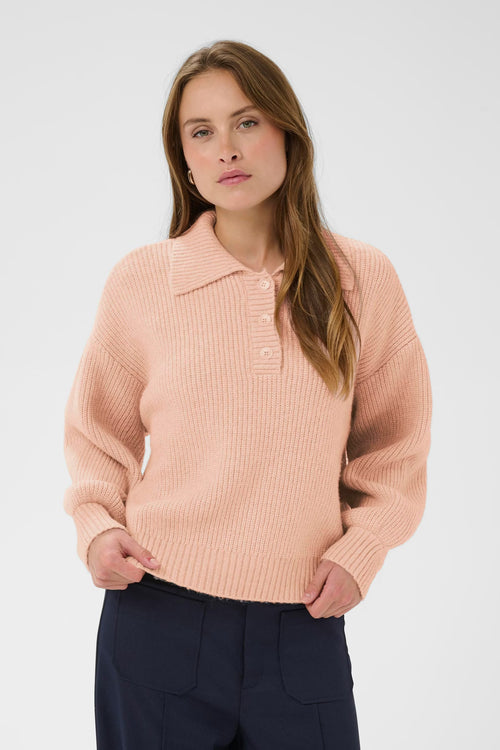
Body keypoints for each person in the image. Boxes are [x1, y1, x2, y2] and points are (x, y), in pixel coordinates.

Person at [63, 39, 432, 750]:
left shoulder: (362, 279)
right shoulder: (144, 281)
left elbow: (397, 443)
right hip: (157, 614)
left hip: (304, 621)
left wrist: (363, 549)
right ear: (184, 159)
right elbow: (97, 432)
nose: (226, 149)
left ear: (287, 131)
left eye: (247, 122)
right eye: (201, 132)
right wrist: (98, 526)